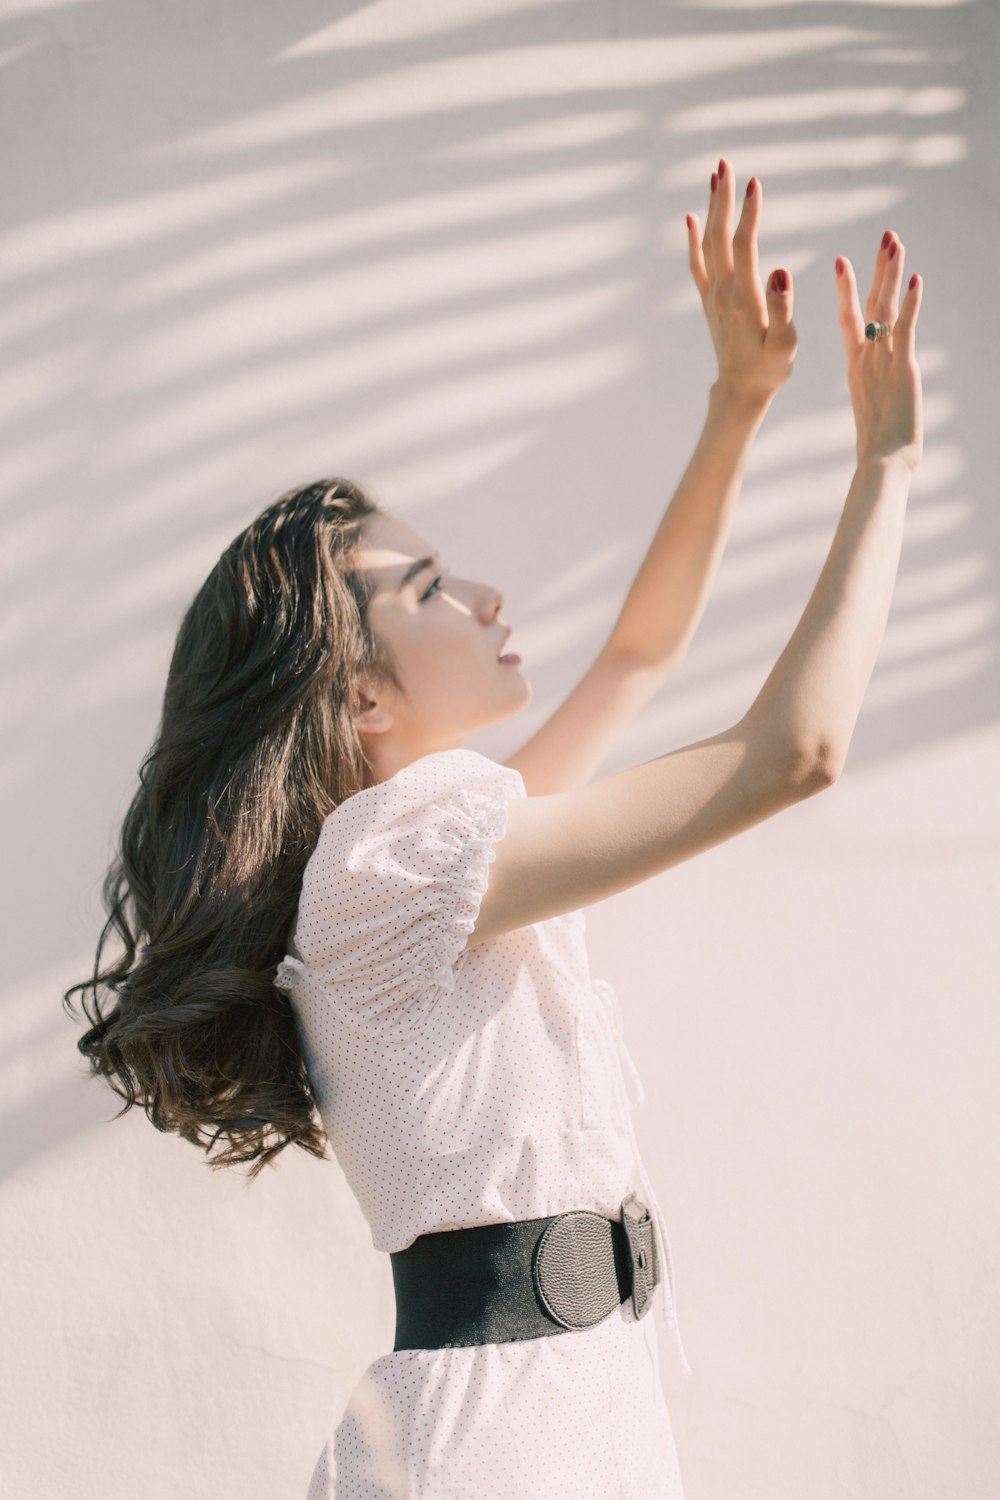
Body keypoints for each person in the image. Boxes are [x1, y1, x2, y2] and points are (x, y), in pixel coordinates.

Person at [65, 156, 923, 1499]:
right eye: (427, 586)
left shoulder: (429, 857)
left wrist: (738, 405)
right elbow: (791, 755)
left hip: (571, 1407)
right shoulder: (381, 865)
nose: (482, 594)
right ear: (354, 691)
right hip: (506, 1444)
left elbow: (639, 657)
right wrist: (889, 465)